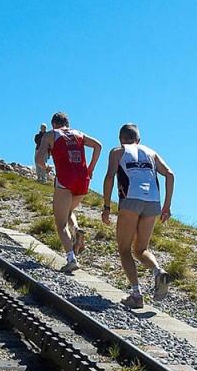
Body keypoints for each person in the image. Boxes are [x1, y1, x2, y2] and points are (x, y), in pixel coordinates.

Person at [101, 123, 175, 309]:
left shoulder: (117, 152)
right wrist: (167, 206)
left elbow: (110, 177)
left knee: (125, 249)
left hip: (130, 200)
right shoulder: (151, 152)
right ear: (138, 139)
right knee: (141, 249)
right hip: (153, 202)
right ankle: (158, 272)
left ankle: (136, 294)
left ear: (120, 138)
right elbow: (170, 175)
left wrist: (107, 206)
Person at [35, 112, 102, 273]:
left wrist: (45, 168)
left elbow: (38, 158)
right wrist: (91, 168)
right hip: (83, 179)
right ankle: (76, 229)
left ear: (53, 124)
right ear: (67, 123)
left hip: (65, 179)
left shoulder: (51, 135)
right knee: (68, 210)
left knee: (60, 223)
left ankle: (71, 259)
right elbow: (98, 145)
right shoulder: (78, 133)